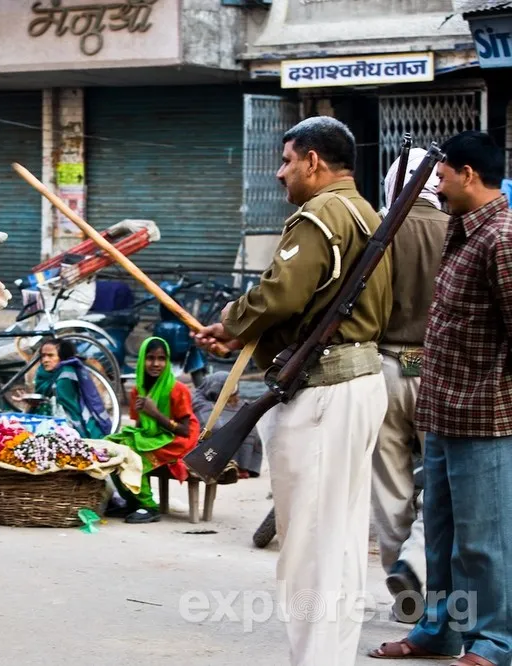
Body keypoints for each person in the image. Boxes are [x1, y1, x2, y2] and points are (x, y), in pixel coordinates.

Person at [194, 116, 391, 666]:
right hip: (353, 382)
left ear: (313, 161)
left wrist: (231, 321)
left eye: (286, 161)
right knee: (340, 537)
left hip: (326, 390)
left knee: (309, 544)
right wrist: (239, 333)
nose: (281, 174)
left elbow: (281, 294)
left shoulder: (322, 213)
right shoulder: (364, 211)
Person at [371, 132, 512, 666]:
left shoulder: (502, 236)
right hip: (442, 407)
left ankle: (495, 641)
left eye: (443, 174)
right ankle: (438, 630)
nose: (437, 184)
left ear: (469, 174)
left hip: (486, 414)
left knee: (485, 541)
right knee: (443, 537)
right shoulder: (461, 231)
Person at [369, 148, 448, 625]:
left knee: (390, 487)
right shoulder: (455, 228)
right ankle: (418, 565)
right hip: (438, 372)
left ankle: (406, 595)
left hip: (383, 369)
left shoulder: (378, 233)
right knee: (441, 484)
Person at [106, 337, 200, 524]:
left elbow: (185, 431)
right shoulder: (138, 390)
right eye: (150, 358)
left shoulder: (177, 389)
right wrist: (133, 438)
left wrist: (155, 413)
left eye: (161, 358)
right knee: (111, 445)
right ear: (142, 359)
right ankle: (132, 500)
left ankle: (149, 506)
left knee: (133, 454)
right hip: (155, 437)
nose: (156, 364)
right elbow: (140, 426)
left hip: (178, 439)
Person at [30, 338, 112, 439]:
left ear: (62, 357)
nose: (45, 360)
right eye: (43, 356)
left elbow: (64, 405)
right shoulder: (42, 373)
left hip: (67, 421)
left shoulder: (66, 373)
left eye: (50, 355)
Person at [192, 371, 263, 478]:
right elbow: (211, 424)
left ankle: (243, 466)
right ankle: (218, 466)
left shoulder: (240, 403)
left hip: (237, 449)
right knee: (218, 429)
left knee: (249, 429)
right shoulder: (200, 402)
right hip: (211, 452)